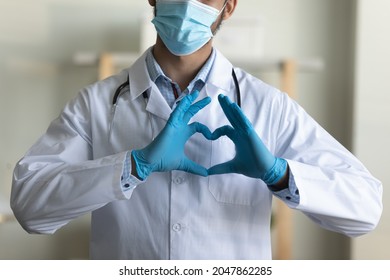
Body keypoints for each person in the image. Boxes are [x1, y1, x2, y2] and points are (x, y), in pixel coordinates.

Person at [11, 0, 382, 260]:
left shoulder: (268, 106)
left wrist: (279, 174)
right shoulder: (97, 104)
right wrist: (131, 166)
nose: (188, 4)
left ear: (229, 6)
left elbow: (366, 207)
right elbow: (29, 204)